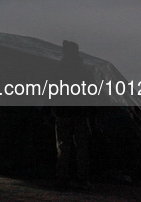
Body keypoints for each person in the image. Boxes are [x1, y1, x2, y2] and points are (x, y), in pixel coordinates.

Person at [54, 40, 91, 190]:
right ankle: (82, 179)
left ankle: (63, 178)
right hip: (80, 113)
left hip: (63, 113)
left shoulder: (60, 69)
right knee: (82, 147)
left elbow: (52, 90)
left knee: (63, 147)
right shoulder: (83, 70)